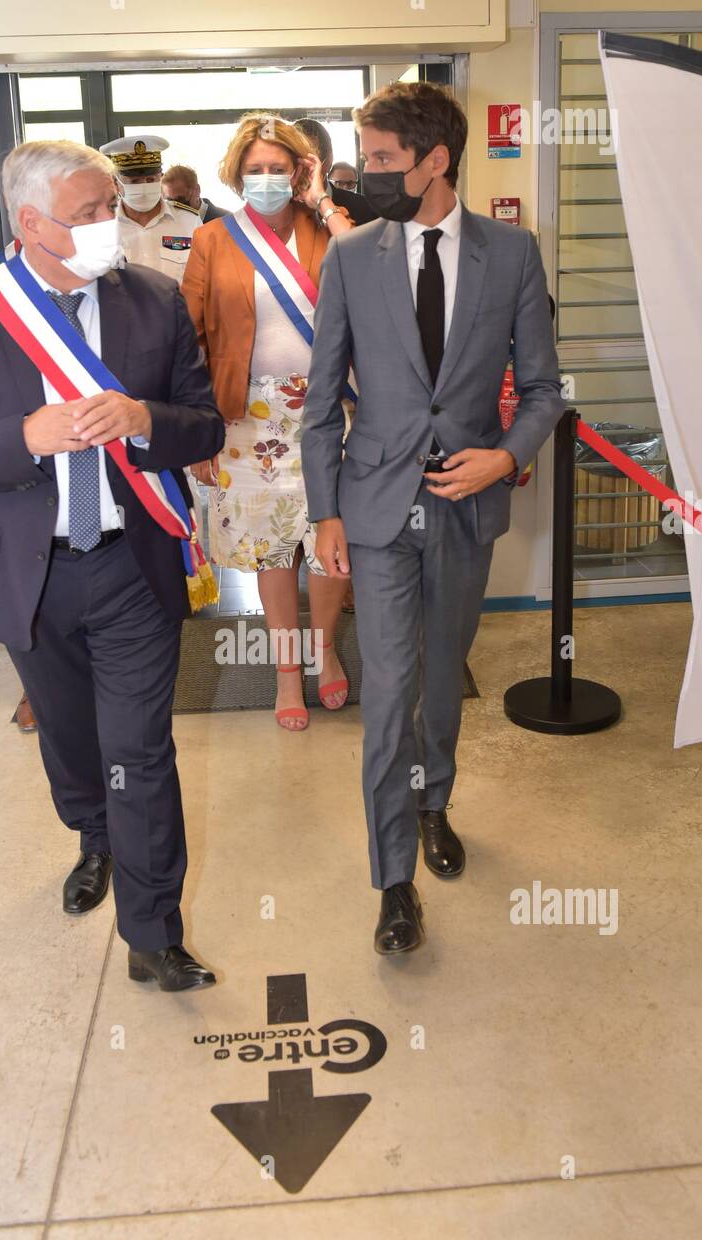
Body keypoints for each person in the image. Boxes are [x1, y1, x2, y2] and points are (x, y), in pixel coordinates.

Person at [0, 140, 225, 993]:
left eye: (108, 210)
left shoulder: (153, 301)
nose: (105, 228)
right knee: (75, 740)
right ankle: (93, 836)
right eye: (86, 215)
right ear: (30, 222)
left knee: (141, 748)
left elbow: (205, 426)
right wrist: (26, 438)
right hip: (31, 573)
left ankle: (154, 932)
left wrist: (142, 417)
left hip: (132, 565)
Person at [301, 83, 564, 955]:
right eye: (366, 157)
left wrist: (508, 454)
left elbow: (540, 390)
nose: (365, 174)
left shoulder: (513, 255)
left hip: (465, 503)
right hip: (374, 505)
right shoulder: (349, 258)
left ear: (434, 160)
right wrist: (324, 513)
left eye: (380, 160)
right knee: (387, 691)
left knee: (443, 674)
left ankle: (433, 804)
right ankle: (393, 883)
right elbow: (318, 404)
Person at [180, 113, 355, 730]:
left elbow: (372, 277)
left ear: (300, 171)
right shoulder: (214, 240)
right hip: (246, 417)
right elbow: (191, 338)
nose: (266, 179)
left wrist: (323, 202)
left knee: (331, 543)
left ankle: (324, 647)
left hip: (332, 411)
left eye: (278, 169)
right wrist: (199, 428)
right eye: (255, 170)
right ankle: (287, 667)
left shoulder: (331, 230)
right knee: (273, 548)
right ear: (236, 174)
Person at [100, 134, 201, 283]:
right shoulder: (102, 226)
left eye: (150, 179)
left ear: (161, 177)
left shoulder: (189, 222)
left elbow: (205, 277)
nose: (144, 186)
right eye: (134, 181)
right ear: (116, 183)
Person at [294, 118, 377, 228]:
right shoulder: (277, 208)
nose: (302, 170)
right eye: (295, 160)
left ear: (329, 161)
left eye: (311, 162)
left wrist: (322, 201)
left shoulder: (364, 209)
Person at [162, 163, 230, 223]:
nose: (175, 207)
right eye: (169, 201)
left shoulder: (227, 221)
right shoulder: (165, 222)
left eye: (180, 201)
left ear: (197, 190)